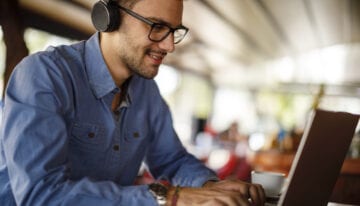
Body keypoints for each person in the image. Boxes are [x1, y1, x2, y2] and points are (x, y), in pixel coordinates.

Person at [0, 0, 265, 205]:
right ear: (108, 19)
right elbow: (41, 195)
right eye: (157, 27)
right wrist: (170, 197)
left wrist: (210, 188)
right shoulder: (44, 75)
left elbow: (172, 160)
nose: (170, 45)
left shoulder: (146, 91)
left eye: (174, 30)